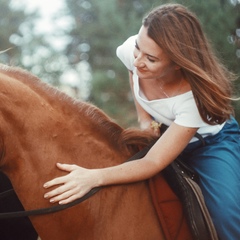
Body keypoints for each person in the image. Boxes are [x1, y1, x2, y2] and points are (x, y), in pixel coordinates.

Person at [43, 4, 240, 239]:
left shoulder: (193, 99)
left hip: (210, 143)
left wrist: (94, 177)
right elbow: (131, 69)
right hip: (167, 129)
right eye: (138, 48)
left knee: (225, 215)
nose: (137, 62)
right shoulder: (132, 52)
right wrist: (144, 119)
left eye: (151, 59)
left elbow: (153, 162)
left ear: (178, 63)